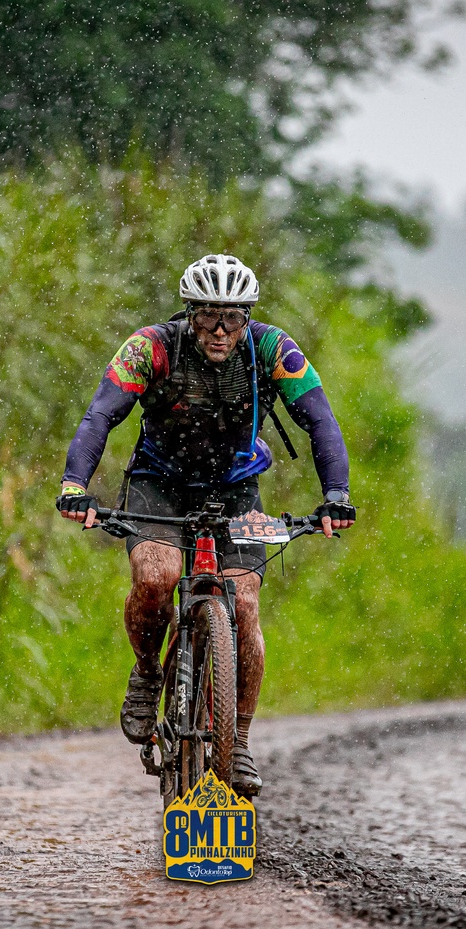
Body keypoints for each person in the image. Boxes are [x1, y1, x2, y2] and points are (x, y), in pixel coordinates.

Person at [55, 254, 355, 798]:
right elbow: (101, 414)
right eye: (209, 316)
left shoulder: (273, 350)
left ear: (247, 319)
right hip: (159, 482)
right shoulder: (151, 347)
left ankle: (236, 740)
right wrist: (76, 484)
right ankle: (148, 672)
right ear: (189, 313)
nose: (220, 330)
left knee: (245, 604)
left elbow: (320, 419)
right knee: (156, 576)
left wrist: (336, 495)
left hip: (235, 487)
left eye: (232, 318)